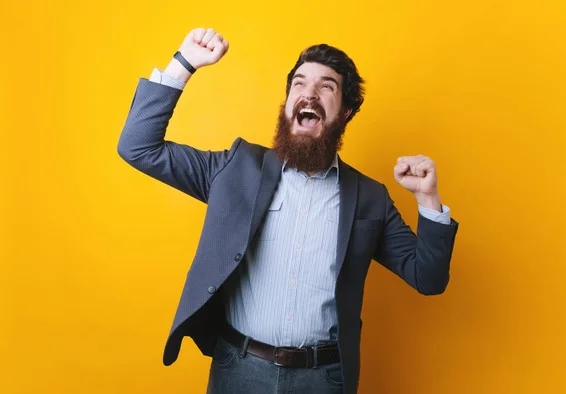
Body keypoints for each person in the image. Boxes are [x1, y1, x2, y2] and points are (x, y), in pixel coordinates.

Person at [117, 27, 459, 394]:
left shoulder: (370, 197)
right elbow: (138, 147)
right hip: (238, 369)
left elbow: (428, 278)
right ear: (287, 103)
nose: (308, 93)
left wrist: (428, 200)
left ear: (345, 112)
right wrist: (183, 64)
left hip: (323, 378)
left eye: (326, 86)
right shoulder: (235, 167)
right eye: (298, 83)